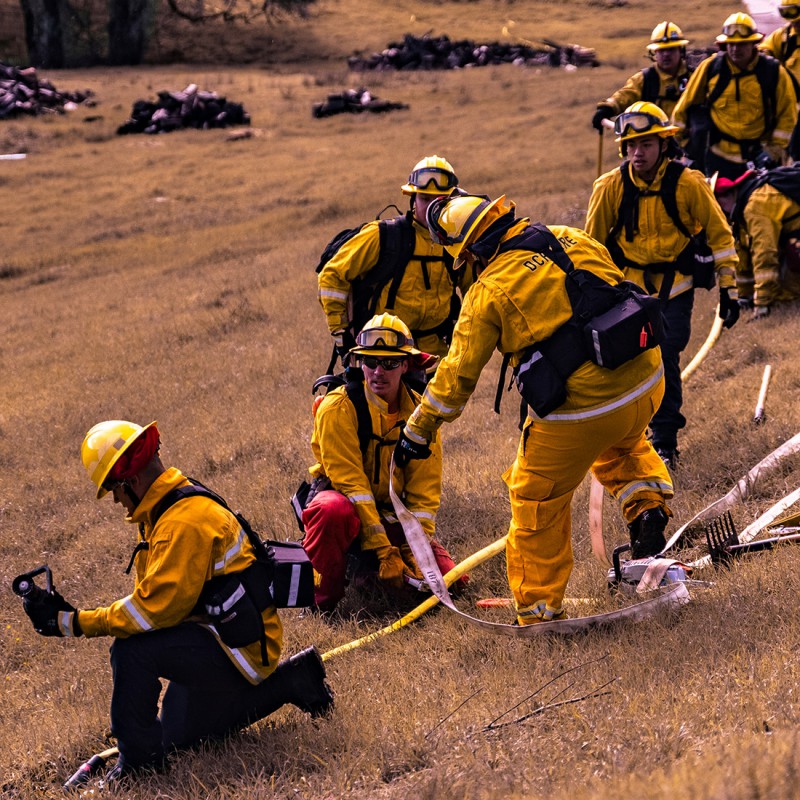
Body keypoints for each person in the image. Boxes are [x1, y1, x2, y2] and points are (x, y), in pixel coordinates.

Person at [395, 194, 674, 626]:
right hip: (646, 379)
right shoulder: (571, 236)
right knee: (622, 443)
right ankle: (647, 507)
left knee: (536, 497)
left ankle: (538, 611)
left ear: (468, 253)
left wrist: (418, 429)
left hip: (581, 412)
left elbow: (455, 379)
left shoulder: (487, 292)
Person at [19, 420, 333, 783]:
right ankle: (296, 679)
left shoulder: (182, 523)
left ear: (131, 481)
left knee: (132, 651)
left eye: (115, 491)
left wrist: (71, 622)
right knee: (179, 737)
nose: (119, 503)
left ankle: (139, 766)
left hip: (238, 648)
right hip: (229, 636)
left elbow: (149, 612)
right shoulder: (167, 504)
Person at [585, 102, 740, 468]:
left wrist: (729, 288)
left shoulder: (688, 184)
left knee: (665, 353)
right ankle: (630, 437)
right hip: (626, 290)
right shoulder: (609, 187)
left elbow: (721, 236)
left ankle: (665, 443)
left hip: (676, 288)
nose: (638, 153)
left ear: (664, 146)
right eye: (631, 145)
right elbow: (589, 246)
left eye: (647, 145)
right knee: (626, 363)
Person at [300, 313, 465, 615]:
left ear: (406, 364)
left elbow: (424, 493)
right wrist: (383, 550)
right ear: (358, 363)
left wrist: (417, 548)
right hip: (346, 511)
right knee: (330, 511)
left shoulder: (421, 414)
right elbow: (352, 486)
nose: (378, 371)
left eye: (389, 363)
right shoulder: (337, 408)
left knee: (455, 582)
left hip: (391, 514)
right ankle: (321, 604)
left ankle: (368, 574)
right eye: (370, 361)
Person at [317, 155, 473, 365]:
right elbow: (332, 275)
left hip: (437, 357)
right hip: (384, 355)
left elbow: (474, 295)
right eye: (424, 199)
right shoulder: (383, 236)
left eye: (439, 201)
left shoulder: (456, 245)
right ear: (412, 199)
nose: (430, 207)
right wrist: (341, 334)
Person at [672, 12, 798, 178]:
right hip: (718, 157)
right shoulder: (711, 68)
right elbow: (684, 106)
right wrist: (686, 145)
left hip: (760, 158)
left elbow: (788, 114)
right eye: (730, 44)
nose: (735, 49)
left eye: (742, 44)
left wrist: (774, 149)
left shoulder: (773, 72)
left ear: (754, 43)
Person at [712, 166, 800, 319]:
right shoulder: (742, 209)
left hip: (796, 242)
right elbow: (743, 254)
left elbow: (765, 255)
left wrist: (761, 304)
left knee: (786, 294)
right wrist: (743, 296)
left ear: (723, 198)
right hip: (792, 237)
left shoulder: (755, 206)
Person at [591, 21, 693, 132]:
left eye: (671, 49)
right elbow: (624, 96)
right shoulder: (645, 79)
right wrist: (607, 108)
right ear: (654, 53)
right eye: (661, 50)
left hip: (690, 144)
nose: (666, 54)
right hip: (655, 144)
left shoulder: (695, 77)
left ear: (681, 50)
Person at [760, 0, 800, 161]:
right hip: (790, 109)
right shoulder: (784, 38)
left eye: (796, 14)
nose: (793, 21)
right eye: (787, 13)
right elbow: (761, 55)